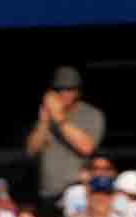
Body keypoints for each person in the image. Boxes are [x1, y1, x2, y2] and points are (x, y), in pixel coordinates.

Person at [26, 66, 106, 206]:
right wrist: (43, 122)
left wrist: (59, 118)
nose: (63, 93)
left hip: (77, 191)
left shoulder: (91, 114)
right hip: (47, 193)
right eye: (58, 89)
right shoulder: (47, 114)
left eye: (69, 89)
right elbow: (31, 150)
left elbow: (86, 147)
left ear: (78, 91)